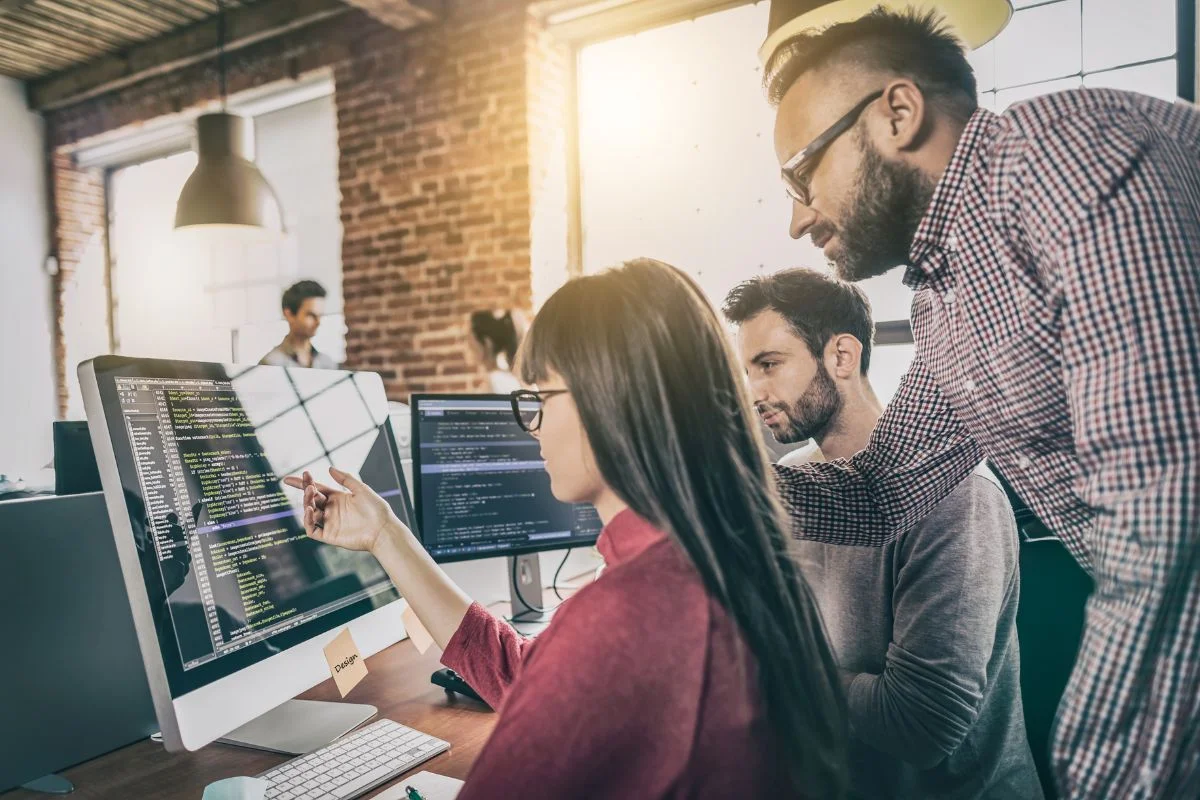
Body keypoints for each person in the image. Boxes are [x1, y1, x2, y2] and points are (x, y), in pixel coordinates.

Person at [761, 8, 1200, 796]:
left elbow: (1169, 527)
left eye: (801, 174)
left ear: (898, 113)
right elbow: (883, 492)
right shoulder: (946, 299)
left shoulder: (1076, 162)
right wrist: (698, 479)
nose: (797, 220)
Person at [285, 258, 848, 798]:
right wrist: (384, 534)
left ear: (611, 401)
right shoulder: (728, 557)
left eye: (540, 398)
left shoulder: (627, 615)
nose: (532, 427)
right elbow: (528, 679)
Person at [725, 268, 1041, 798]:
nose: (754, 391)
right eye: (747, 371)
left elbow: (919, 725)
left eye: (770, 365)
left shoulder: (957, 494)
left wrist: (775, 672)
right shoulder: (796, 480)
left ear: (842, 356)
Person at [260, 280, 338, 369]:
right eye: (311, 315)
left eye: (320, 315)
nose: (318, 322)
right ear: (289, 315)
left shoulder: (328, 363)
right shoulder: (270, 363)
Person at [467, 309, 524, 392]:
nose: (468, 346)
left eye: (470, 341)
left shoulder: (495, 382)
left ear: (487, 343)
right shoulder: (503, 379)